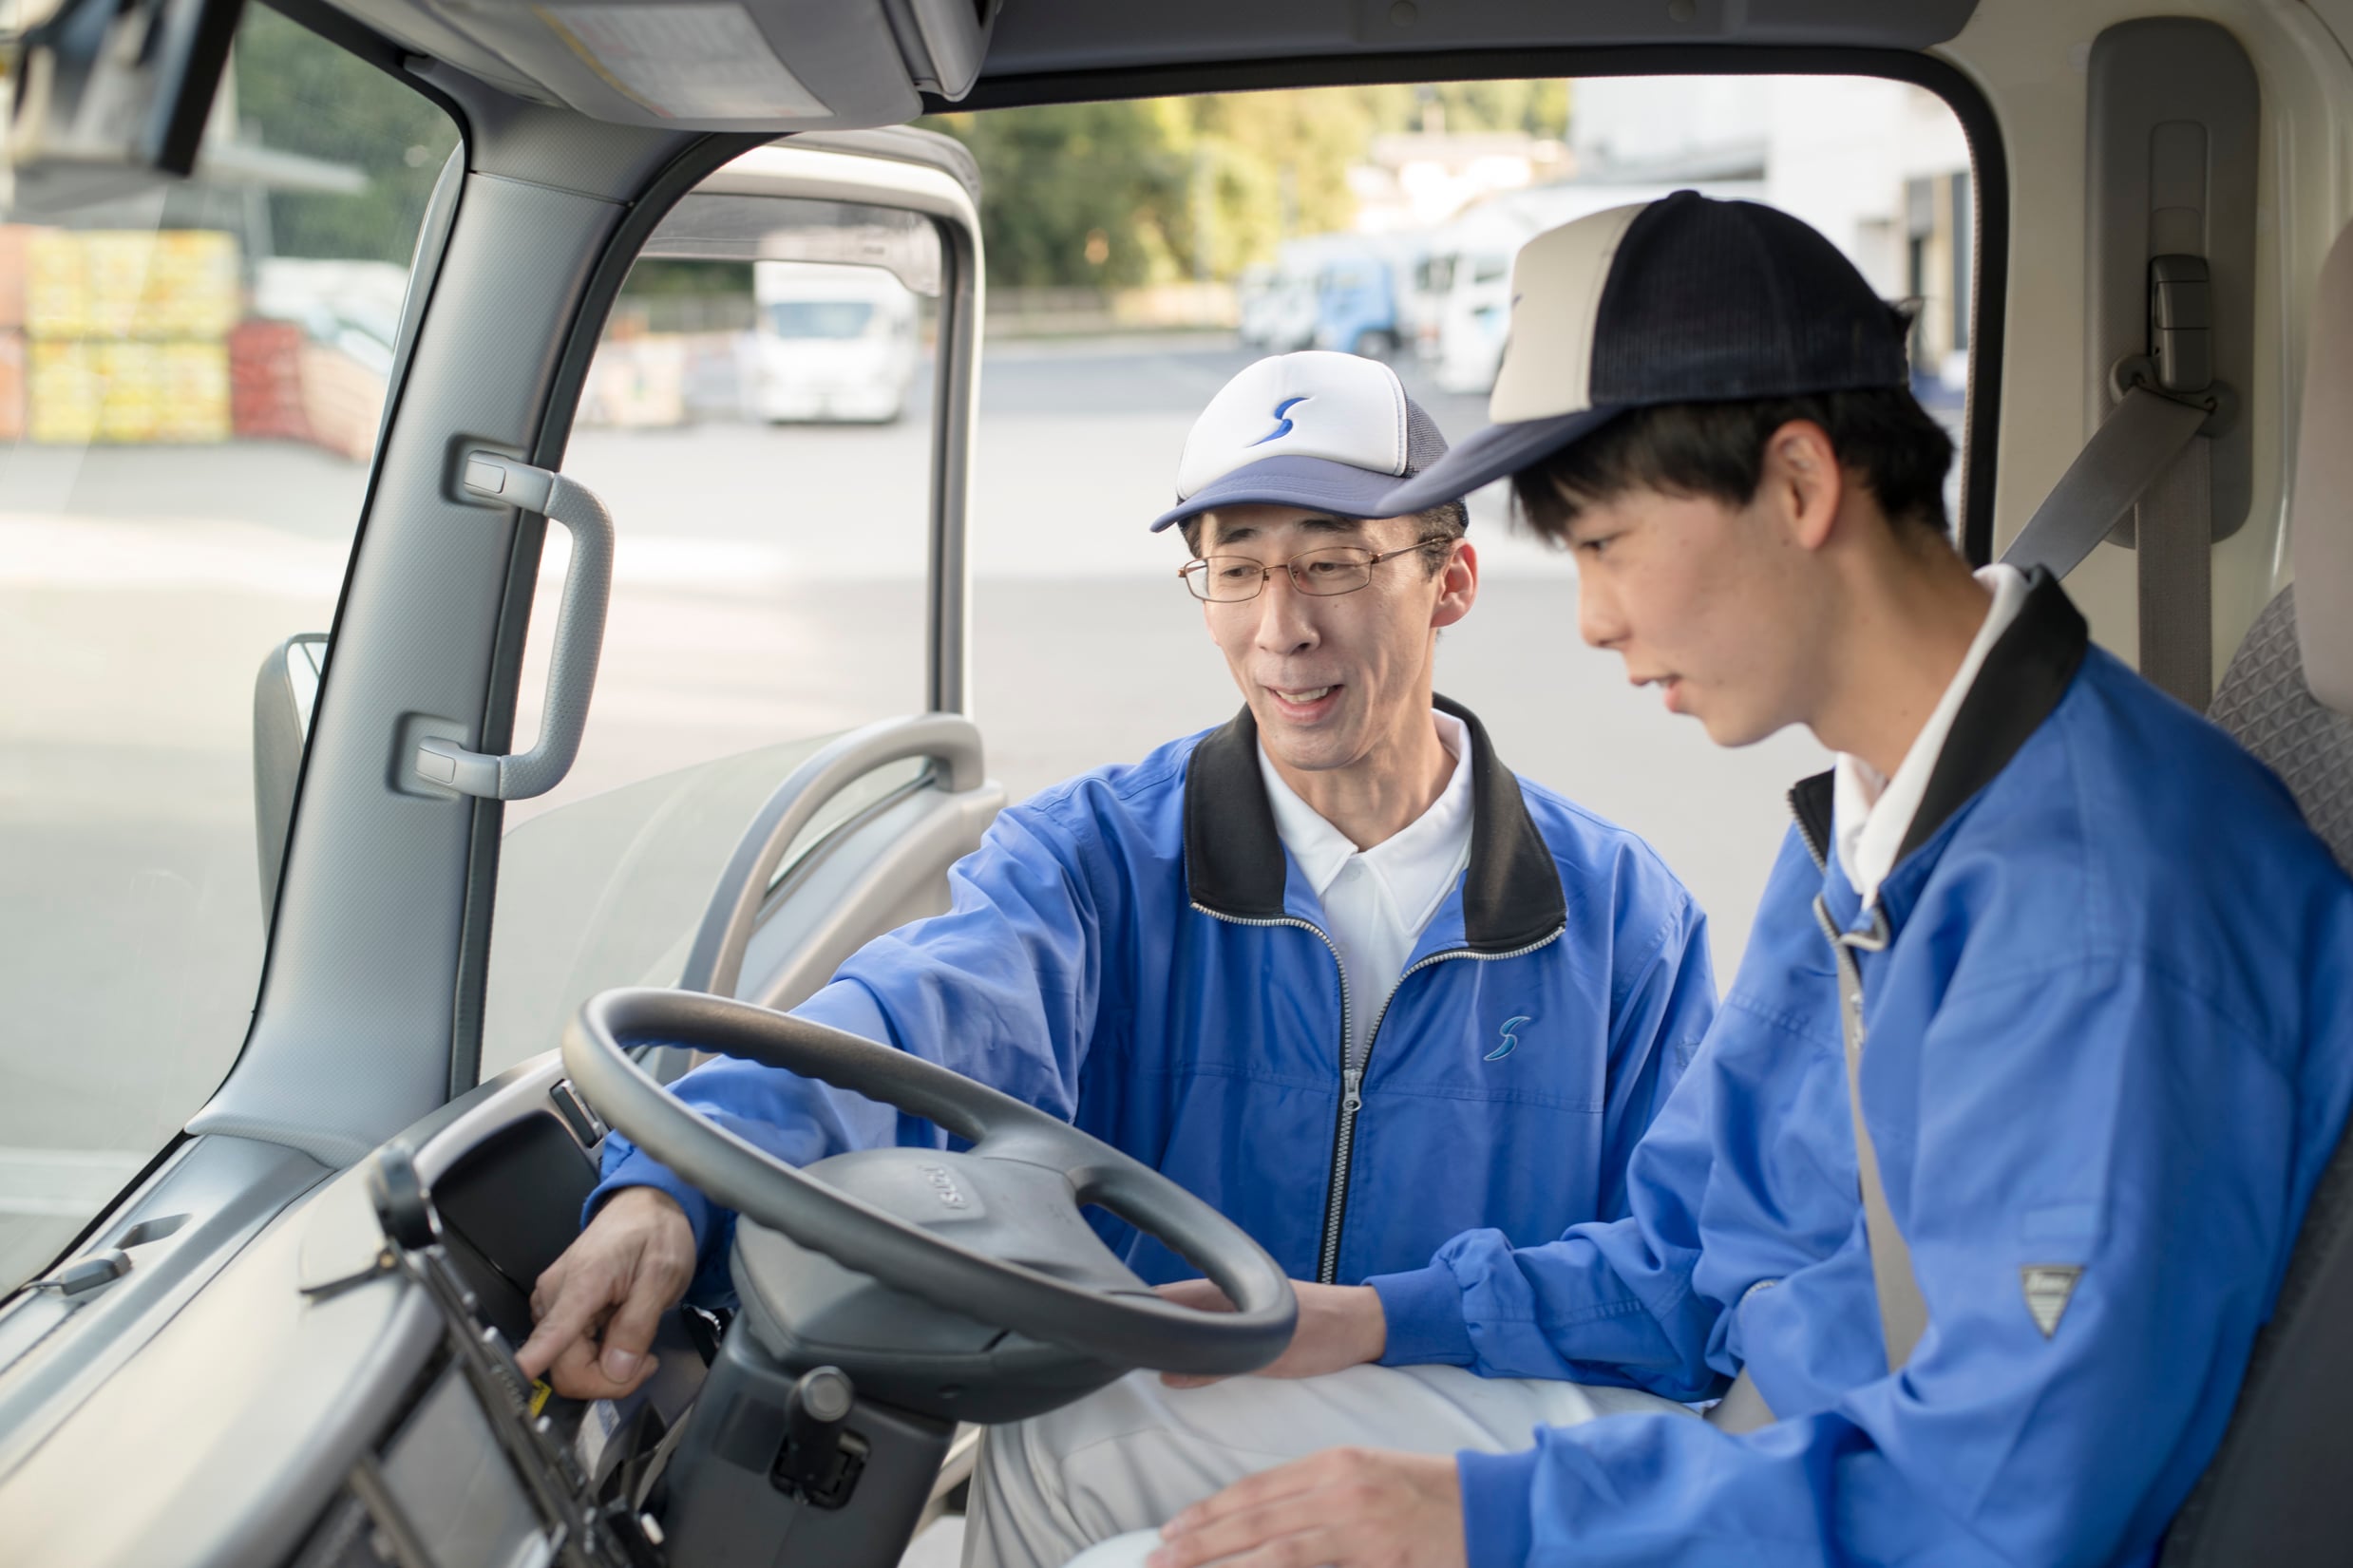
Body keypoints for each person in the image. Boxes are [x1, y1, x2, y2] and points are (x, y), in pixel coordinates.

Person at [969, 194, 2353, 1568]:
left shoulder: (2092, 917)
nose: (1590, 619)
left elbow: (1994, 1509)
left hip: (1844, 1499)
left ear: (1797, 485)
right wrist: (1375, 1315)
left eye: (1604, 545)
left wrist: (1494, 1518)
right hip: (1769, 1442)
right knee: (1076, 1431)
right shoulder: (1880, 810)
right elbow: (1693, 1258)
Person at [515, 349, 1718, 1406]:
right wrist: (669, 1184)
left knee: (1069, 1458)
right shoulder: (1090, 862)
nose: (1280, 628)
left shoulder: (1624, 919)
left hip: (1470, 1446)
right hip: (1181, 1408)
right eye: (1236, 569)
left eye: (1332, 564)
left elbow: (1685, 1279)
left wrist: (1390, 1322)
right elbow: (903, 1023)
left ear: (1446, 581)